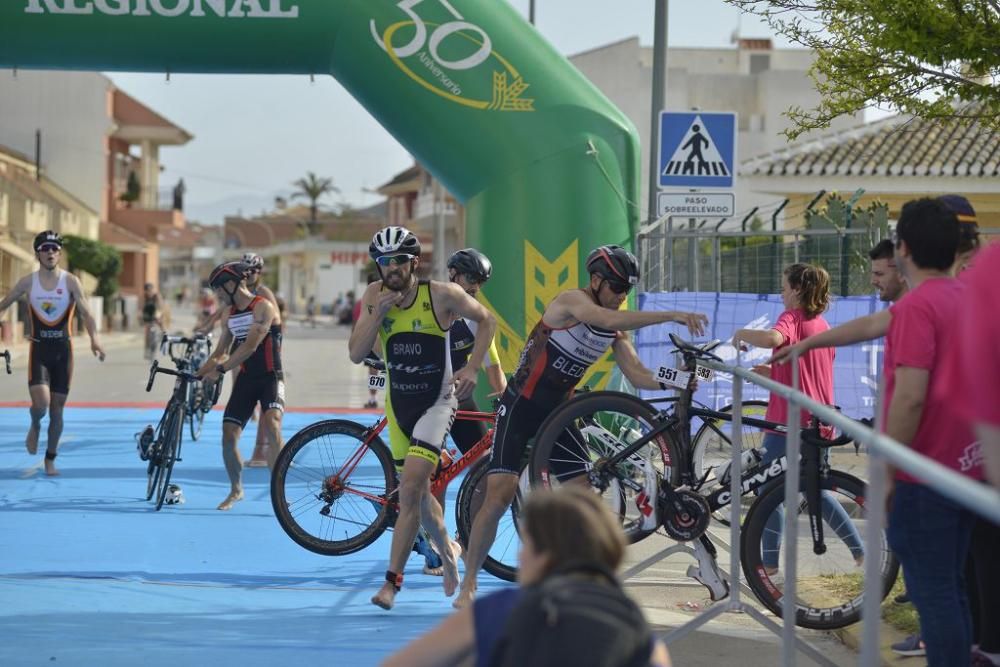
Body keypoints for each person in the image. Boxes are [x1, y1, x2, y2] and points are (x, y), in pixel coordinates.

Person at [774, 199, 983, 667]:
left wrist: (886, 469)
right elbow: (870, 325)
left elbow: (910, 396)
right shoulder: (962, 298)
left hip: (925, 474)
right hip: (965, 466)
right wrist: (808, 342)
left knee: (937, 597)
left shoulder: (918, 307)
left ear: (904, 249)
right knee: (954, 589)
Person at [455, 244, 708, 609]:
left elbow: (638, 374)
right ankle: (470, 582)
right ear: (596, 280)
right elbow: (604, 319)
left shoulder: (615, 331)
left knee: (586, 496)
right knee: (498, 496)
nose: (622, 297)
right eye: (617, 287)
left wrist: (677, 380)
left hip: (558, 412)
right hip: (521, 406)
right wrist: (672, 315)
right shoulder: (571, 302)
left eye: (627, 291)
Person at [348, 225, 497, 610]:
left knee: (412, 487)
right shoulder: (374, 296)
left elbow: (488, 321)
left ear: (414, 262)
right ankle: (448, 553)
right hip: (399, 407)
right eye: (384, 262)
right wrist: (374, 318)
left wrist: (473, 369)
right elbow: (355, 352)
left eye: (398, 260)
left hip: (438, 402)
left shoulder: (442, 295)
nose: (391, 268)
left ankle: (391, 585)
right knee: (418, 494)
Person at [382, 486, 672, 667]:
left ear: (547, 554)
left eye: (527, 545)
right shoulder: (635, 626)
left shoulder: (507, 608)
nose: (520, 557)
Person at [731, 263, 864, 577]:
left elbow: (774, 338)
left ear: (798, 290)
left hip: (788, 424)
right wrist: (772, 372)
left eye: (784, 287)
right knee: (816, 490)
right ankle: (860, 552)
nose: (780, 293)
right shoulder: (822, 326)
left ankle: (767, 564)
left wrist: (741, 333)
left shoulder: (791, 317)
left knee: (766, 491)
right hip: (820, 420)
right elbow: (809, 373)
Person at [0, 230, 106, 476]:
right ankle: (35, 423)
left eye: (55, 249)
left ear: (59, 253)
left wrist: (95, 340)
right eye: (46, 248)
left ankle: (50, 459)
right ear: (37, 253)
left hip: (63, 352)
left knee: (57, 409)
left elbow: (87, 313)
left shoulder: (70, 282)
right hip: (39, 350)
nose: (50, 252)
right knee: (42, 403)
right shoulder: (28, 282)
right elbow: (4, 305)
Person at [197, 261, 284, 511]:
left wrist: (220, 370)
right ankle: (236, 490)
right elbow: (220, 353)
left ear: (233, 284)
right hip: (246, 380)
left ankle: (278, 490)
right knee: (228, 435)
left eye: (220, 289)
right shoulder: (229, 314)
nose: (218, 294)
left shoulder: (263, 308)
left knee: (272, 424)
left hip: (270, 377)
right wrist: (195, 373)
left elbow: (249, 347)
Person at [241, 252, 284, 467]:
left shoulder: (263, 292)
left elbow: (276, 322)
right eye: (246, 270)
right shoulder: (240, 292)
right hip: (246, 349)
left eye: (254, 271)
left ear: (260, 272)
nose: (249, 274)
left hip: (265, 349)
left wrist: (276, 347)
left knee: (269, 404)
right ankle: (268, 451)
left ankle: (265, 453)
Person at [141, 282, 164, 361]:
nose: (149, 292)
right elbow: (141, 307)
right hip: (147, 317)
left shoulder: (156, 296)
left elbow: (160, 307)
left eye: (150, 290)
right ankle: (147, 349)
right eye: (147, 290)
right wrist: (139, 315)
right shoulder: (144, 297)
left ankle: (163, 334)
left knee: (155, 336)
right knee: (147, 335)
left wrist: (158, 315)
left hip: (155, 317)